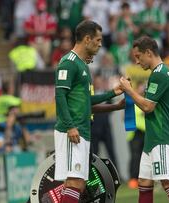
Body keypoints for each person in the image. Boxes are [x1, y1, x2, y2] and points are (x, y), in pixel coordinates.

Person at [54, 20, 123, 203]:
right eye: (98, 40)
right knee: (75, 182)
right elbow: (60, 96)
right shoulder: (68, 63)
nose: (100, 44)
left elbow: (86, 102)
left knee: (79, 183)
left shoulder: (83, 65)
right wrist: (70, 126)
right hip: (72, 131)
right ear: (87, 39)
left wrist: (112, 95)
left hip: (82, 130)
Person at [119, 36, 169, 203]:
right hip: (152, 139)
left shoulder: (160, 74)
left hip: (162, 137)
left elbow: (148, 106)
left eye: (138, 56)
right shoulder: (159, 73)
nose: (137, 61)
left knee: (168, 183)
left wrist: (129, 91)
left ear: (148, 53)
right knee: (144, 183)